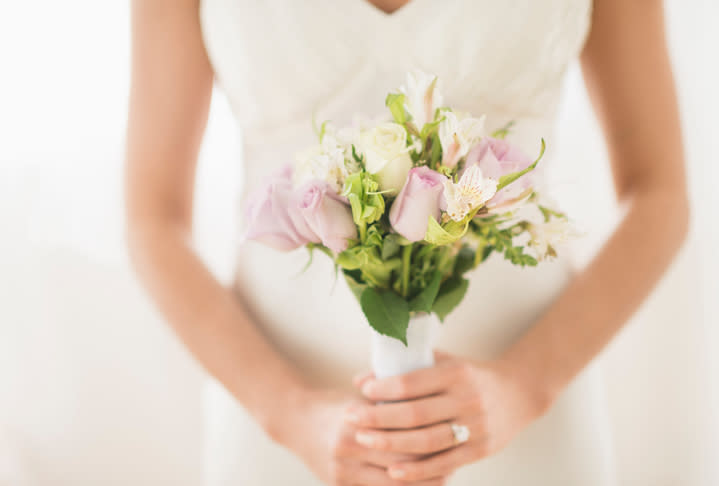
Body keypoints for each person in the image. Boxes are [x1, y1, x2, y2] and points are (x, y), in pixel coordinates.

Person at [124, 1, 689, 484]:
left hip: (525, 417)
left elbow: (659, 193)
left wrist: (526, 386)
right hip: (276, 421)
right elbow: (152, 217)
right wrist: (289, 414)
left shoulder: (527, 395)